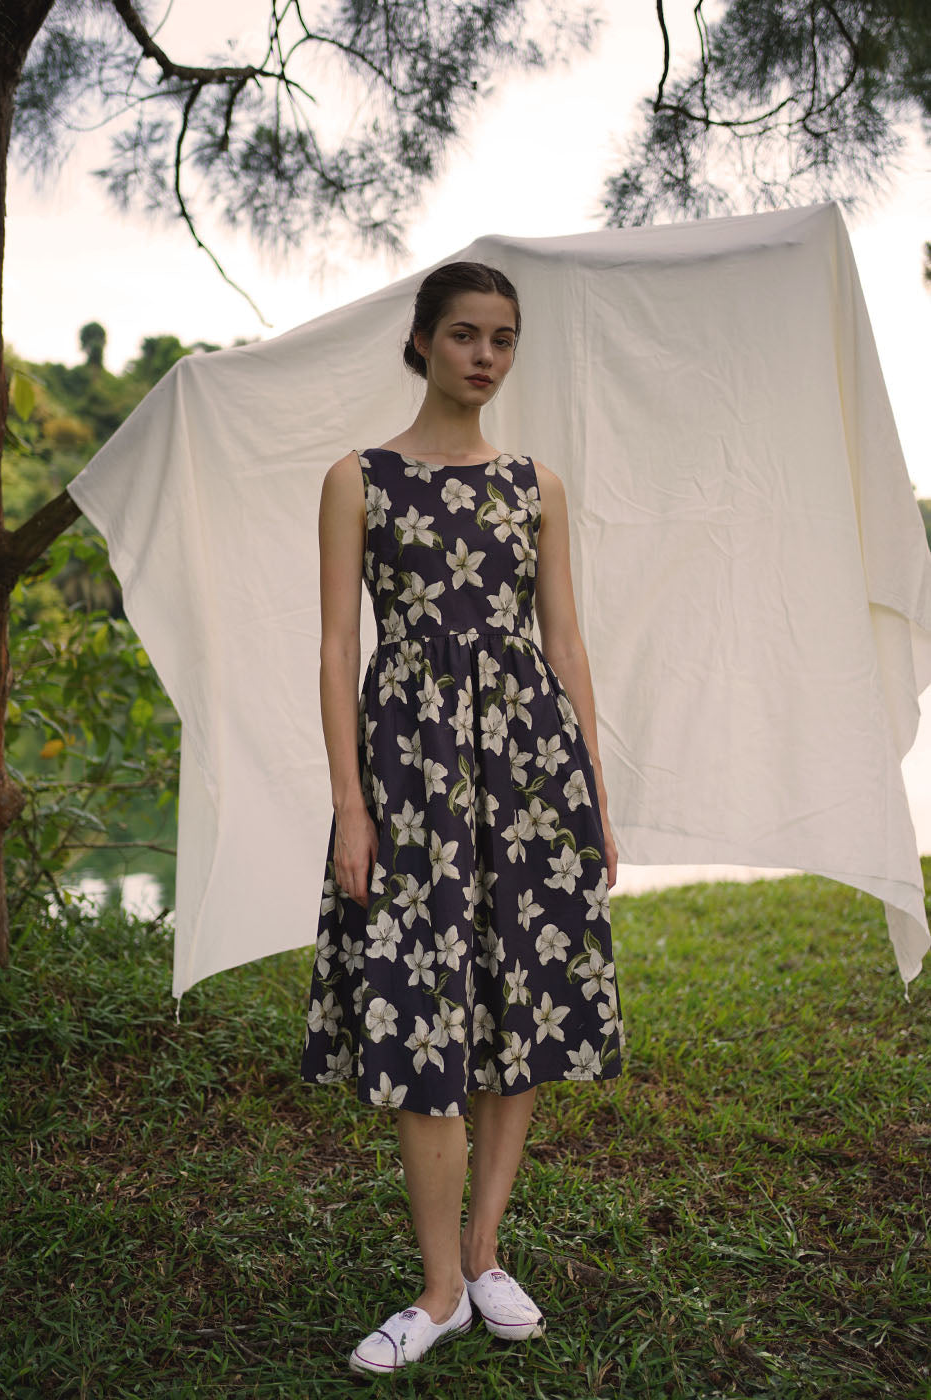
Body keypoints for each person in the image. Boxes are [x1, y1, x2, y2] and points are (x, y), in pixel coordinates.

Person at [298, 261, 625, 1375]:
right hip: (408, 768)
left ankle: (483, 1251)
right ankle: (438, 1288)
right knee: (422, 1007)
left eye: (502, 338)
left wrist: (590, 793)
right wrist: (351, 803)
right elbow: (341, 647)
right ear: (423, 341)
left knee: (517, 1002)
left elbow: (565, 640)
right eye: (464, 335)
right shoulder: (360, 476)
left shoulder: (537, 484)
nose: (484, 356)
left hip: (528, 766)